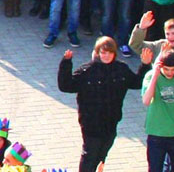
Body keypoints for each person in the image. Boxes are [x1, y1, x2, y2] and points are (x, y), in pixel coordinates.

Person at [58, 37, 143, 171]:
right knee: (90, 155)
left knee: (102, 154)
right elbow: (66, 85)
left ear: (114, 53)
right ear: (97, 53)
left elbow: (137, 83)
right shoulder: (87, 71)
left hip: (111, 121)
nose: (106, 56)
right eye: (103, 52)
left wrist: (145, 65)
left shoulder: (121, 69)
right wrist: (66, 63)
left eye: (109, 52)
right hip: (91, 123)